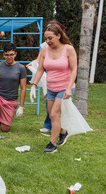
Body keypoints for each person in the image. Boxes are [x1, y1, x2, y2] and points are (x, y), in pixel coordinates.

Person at [30, 22, 77, 153]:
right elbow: (40, 69)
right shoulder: (45, 49)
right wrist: (34, 85)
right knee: (53, 117)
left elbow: (74, 70)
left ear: (58, 36)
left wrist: (68, 89)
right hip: (50, 87)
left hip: (64, 87)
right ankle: (63, 132)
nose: (47, 41)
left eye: (50, 38)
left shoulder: (68, 49)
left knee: (54, 114)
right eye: (46, 39)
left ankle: (52, 144)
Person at [27, 21, 66, 133]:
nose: (48, 40)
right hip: (48, 78)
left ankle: (60, 129)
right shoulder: (45, 46)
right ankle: (50, 125)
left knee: (58, 107)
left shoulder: (65, 47)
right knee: (48, 101)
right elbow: (40, 60)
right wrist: (33, 63)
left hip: (61, 80)